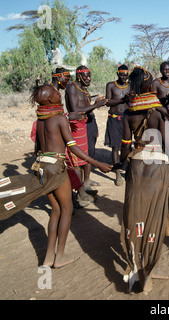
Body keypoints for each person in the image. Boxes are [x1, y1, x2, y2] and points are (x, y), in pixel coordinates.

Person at [0, 84, 112, 268]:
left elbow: (37, 149)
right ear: (51, 99)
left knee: (56, 211)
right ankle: (59, 256)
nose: (58, 93)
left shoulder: (40, 121)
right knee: (66, 210)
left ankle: (48, 258)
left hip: (41, 168)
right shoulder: (59, 119)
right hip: (56, 170)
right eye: (54, 92)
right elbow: (73, 147)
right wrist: (97, 163)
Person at [117, 67, 169, 294]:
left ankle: (137, 267)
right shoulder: (157, 113)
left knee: (136, 218)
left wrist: (119, 164)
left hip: (136, 166)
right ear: (148, 86)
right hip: (158, 168)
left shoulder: (128, 113)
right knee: (155, 218)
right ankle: (149, 271)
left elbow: (125, 146)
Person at [65, 66, 108, 203]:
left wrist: (95, 104)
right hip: (77, 126)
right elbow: (75, 109)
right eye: (86, 76)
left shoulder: (83, 88)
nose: (89, 78)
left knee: (88, 153)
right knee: (77, 159)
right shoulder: (72, 88)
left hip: (87, 124)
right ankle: (78, 192)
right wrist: (96, 106)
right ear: (79, 76)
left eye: (90, 76)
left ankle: (85, 184)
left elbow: (85, 107)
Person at [104, 64, 131, 186]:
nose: (124, 77)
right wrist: (122, 100)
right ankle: (118, 173)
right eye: (121, 74)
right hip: (114, 119)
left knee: (127, 146)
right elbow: (108, 103)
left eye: (126, 75)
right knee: (115, 147)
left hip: (126, 119)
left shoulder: (130, 87)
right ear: (117, 74)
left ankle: (129, 170)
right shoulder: (110, 85)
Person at [152, 61, 169, 177]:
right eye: (164, 69)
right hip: (157, 114)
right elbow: (152, 101)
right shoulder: (155, 83)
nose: (167, 72)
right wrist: (161, 109)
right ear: (160, 70)